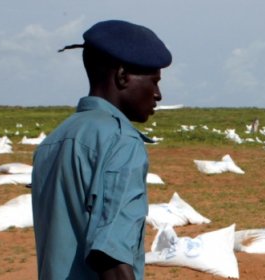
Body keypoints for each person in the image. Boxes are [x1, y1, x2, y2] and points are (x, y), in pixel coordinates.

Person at [31, 20, 170, 280]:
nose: (158, 94)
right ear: (122, 76)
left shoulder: (54, 139)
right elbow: (111, 256)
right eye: (154, 81)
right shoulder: (121, 141)